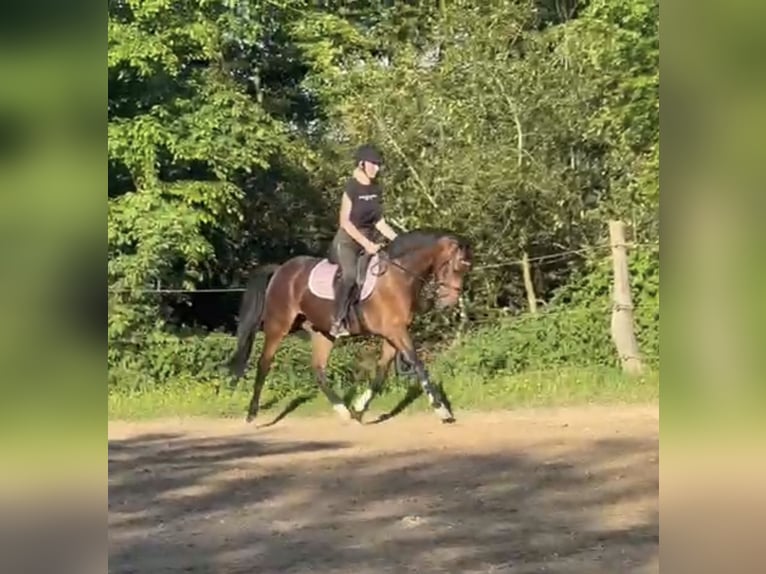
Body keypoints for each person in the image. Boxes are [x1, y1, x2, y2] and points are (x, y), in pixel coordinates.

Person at [328, 143, 399, 337]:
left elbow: (379, 222)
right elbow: (344, 222)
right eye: (373, 164)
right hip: (348, 240)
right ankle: (337, 320)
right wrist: (366, 244)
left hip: (370, 240)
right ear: (361, 164)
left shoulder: (376, 189)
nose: (377, 168)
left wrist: (400, 240)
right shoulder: (351, 188)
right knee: (350, 276)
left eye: (379, 165)